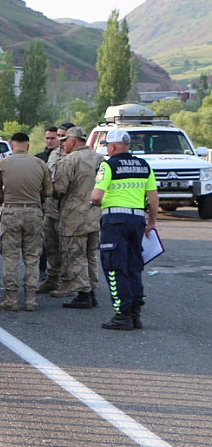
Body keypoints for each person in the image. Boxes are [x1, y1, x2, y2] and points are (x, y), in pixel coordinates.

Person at [91, 128, 158, 330]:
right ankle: (136, 313)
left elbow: (96, 196)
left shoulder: (108, 165)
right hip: (137, 220)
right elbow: (154, 199)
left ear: (111, 146)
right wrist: (151, 223)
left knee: (114, 266)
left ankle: (122, 314)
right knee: (133, 265)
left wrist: (93, 203)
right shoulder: (144, 165)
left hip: (115, 221)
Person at [0, 132, 52, 311]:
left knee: (10, 256)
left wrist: (7, 198)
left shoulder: (3, 164)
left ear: (12, 144)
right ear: (28, 145)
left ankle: (11, 298)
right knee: (32, 257)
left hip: (11, 211)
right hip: (34, 212)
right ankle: (30, 299)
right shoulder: (40, 163)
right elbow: (49, 191)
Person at [51, 127, 104, 308]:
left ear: (73, 142)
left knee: (75, 255)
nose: (62, 144)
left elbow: (58, 189)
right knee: (90, 255)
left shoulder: (69, 160)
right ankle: (92, 289)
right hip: (94, 214)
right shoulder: (99, 158)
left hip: (74, 216)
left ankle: (83, 293)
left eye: (65, 141)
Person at [39, 122, 75, 294]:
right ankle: (52, 278)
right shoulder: (54, 154)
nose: (59, 140)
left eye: (63, 136)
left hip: (69, 211)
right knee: (50, 247)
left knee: (68, 249)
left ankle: (68, 281)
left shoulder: (77, 157)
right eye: (57, 136)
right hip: (51, 207)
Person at [34, 126, 61, 279]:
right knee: (42, 240)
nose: (49, 141)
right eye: (47, 138)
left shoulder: (65, 157)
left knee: (60, 241)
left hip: (61, 206)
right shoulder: (39, 158)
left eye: (53, 138)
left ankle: (61, 271)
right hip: (43, 204)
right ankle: (42, 269)